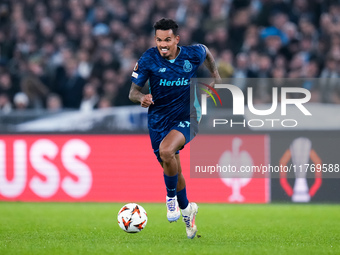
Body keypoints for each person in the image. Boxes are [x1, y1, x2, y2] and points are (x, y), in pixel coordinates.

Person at [129, 18, 221, 239]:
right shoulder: (148, 59)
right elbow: (132, 92)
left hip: (188, 116)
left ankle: (170, 199)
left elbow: (206, 51)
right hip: (158, 121)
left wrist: (216, 76)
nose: (163, 44)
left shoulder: (191, 54)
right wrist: (142, 97)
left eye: (167, 40)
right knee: (173, 168)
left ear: (176, 39)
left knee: (167, 151)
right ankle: (188, 210)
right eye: (159, 40)